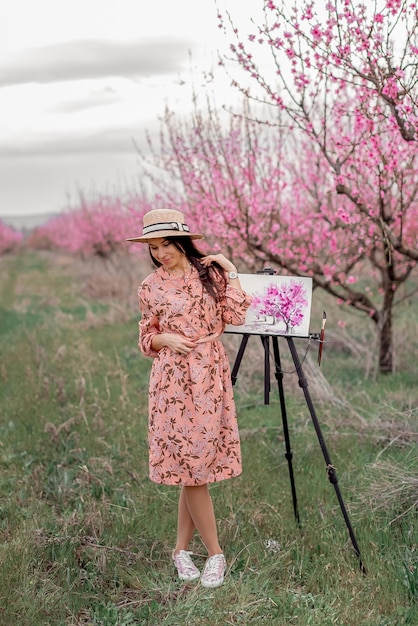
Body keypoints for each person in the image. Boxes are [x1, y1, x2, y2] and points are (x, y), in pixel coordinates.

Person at [126, 208, 252, 588]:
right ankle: (215, 554)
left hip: (210, 373)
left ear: (182, 241)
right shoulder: (149, 287)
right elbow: (146, 338)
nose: (160, 253)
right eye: (152, 246)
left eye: (165, 244)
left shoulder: (210, 274)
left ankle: (180, 551)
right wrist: (165, 339)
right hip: (172, 379)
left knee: (194, 466)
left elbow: (237, 315)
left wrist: (231, 271)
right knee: (192, 464)